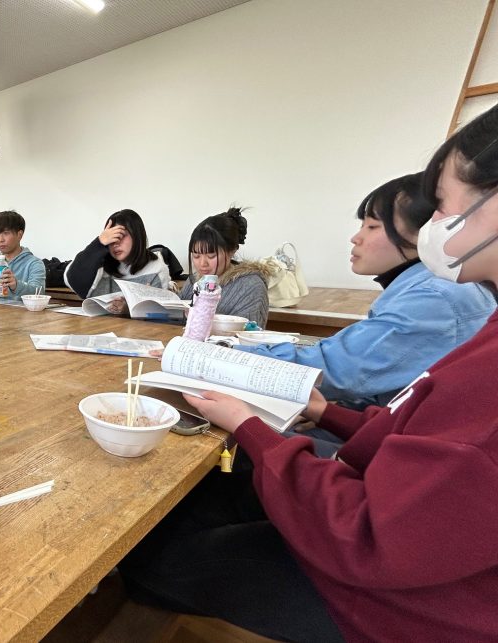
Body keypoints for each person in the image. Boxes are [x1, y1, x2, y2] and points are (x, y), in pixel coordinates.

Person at [119, 104, 498, 642]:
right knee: (203, 500)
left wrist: (249, 423)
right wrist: (327, 412)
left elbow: (372, 534)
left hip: (395, 599)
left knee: (152, 554)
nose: (432, 225)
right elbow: (412, 429)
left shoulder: (441, 298)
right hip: (384, 515)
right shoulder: (481, 318)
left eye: (439, 205)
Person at [237, 173, 494, 409]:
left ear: (427, 231)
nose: (356, 238)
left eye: (372, 226)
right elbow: (381, 379)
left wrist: (228, 357)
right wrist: (335, 414)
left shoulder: (435, 297)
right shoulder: (432, 286)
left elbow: (335, 369)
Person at [178, 207, 271, 327]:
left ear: (232, 251)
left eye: (211, 256)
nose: (202, 263)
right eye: (196, 256)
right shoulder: (195, 280)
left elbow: (249, 332)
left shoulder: (251, 286)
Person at [64, 209, 173, 299]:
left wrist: (126, 309)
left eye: (121, 235)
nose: (115, 243)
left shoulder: (156, 269)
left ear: (137, 236)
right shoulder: (99, 264)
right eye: (111, 237)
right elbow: (72, 280)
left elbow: (156, 311)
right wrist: (98, 243)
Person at [0, 210, 45, 298]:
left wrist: (16, 285)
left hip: (21, 307)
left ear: (19, 235)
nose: (0, 239)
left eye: (6, 233)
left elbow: (39, 293)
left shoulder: (34, 263)